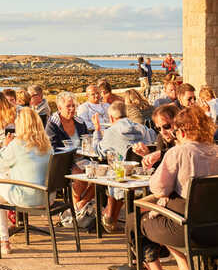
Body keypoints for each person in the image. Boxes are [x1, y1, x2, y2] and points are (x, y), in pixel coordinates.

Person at [127, 106, 218, 270]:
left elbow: (158, 188)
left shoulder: (179, 153)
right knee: (163, 213)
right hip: (213, 230)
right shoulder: (216, 150)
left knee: (135, 220)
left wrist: (165, 196)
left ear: (182, 131)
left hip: (187, 230)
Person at [0, 108, 53, 254]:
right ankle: (0, 236)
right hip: (46, 197)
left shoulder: (18, 144)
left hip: (26, 197)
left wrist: (6, 146)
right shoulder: (47, 146)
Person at [91, 101, 156, 232]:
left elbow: (98, 151)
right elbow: (153, 140)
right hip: (144, 179)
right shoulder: (143, 128)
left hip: (123, 179)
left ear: (111, 118)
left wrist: (97, 131)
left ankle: (109, 216)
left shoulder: (111, 132)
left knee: (111, 173)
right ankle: (111, 218)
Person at [45, 91, 91, 210]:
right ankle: (78, 209)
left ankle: (80, 205)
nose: (72, 109)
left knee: (100, 173)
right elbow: (52, 148)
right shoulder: (52, 124)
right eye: (68, 106)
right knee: (79, 174)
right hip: (62, 162)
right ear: (59, 108)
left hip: (81, 159)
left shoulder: (80, 122)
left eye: (73, 106)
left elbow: (87, 141)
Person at [132, 104, 179, 170]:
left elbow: (183, 153)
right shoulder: (161, 137)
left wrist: (160, 154)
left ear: (178, 123)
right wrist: (147, 155)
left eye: (166, 126)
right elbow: (160, 167)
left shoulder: (187, 137)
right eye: (158, 129)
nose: (163, 132)